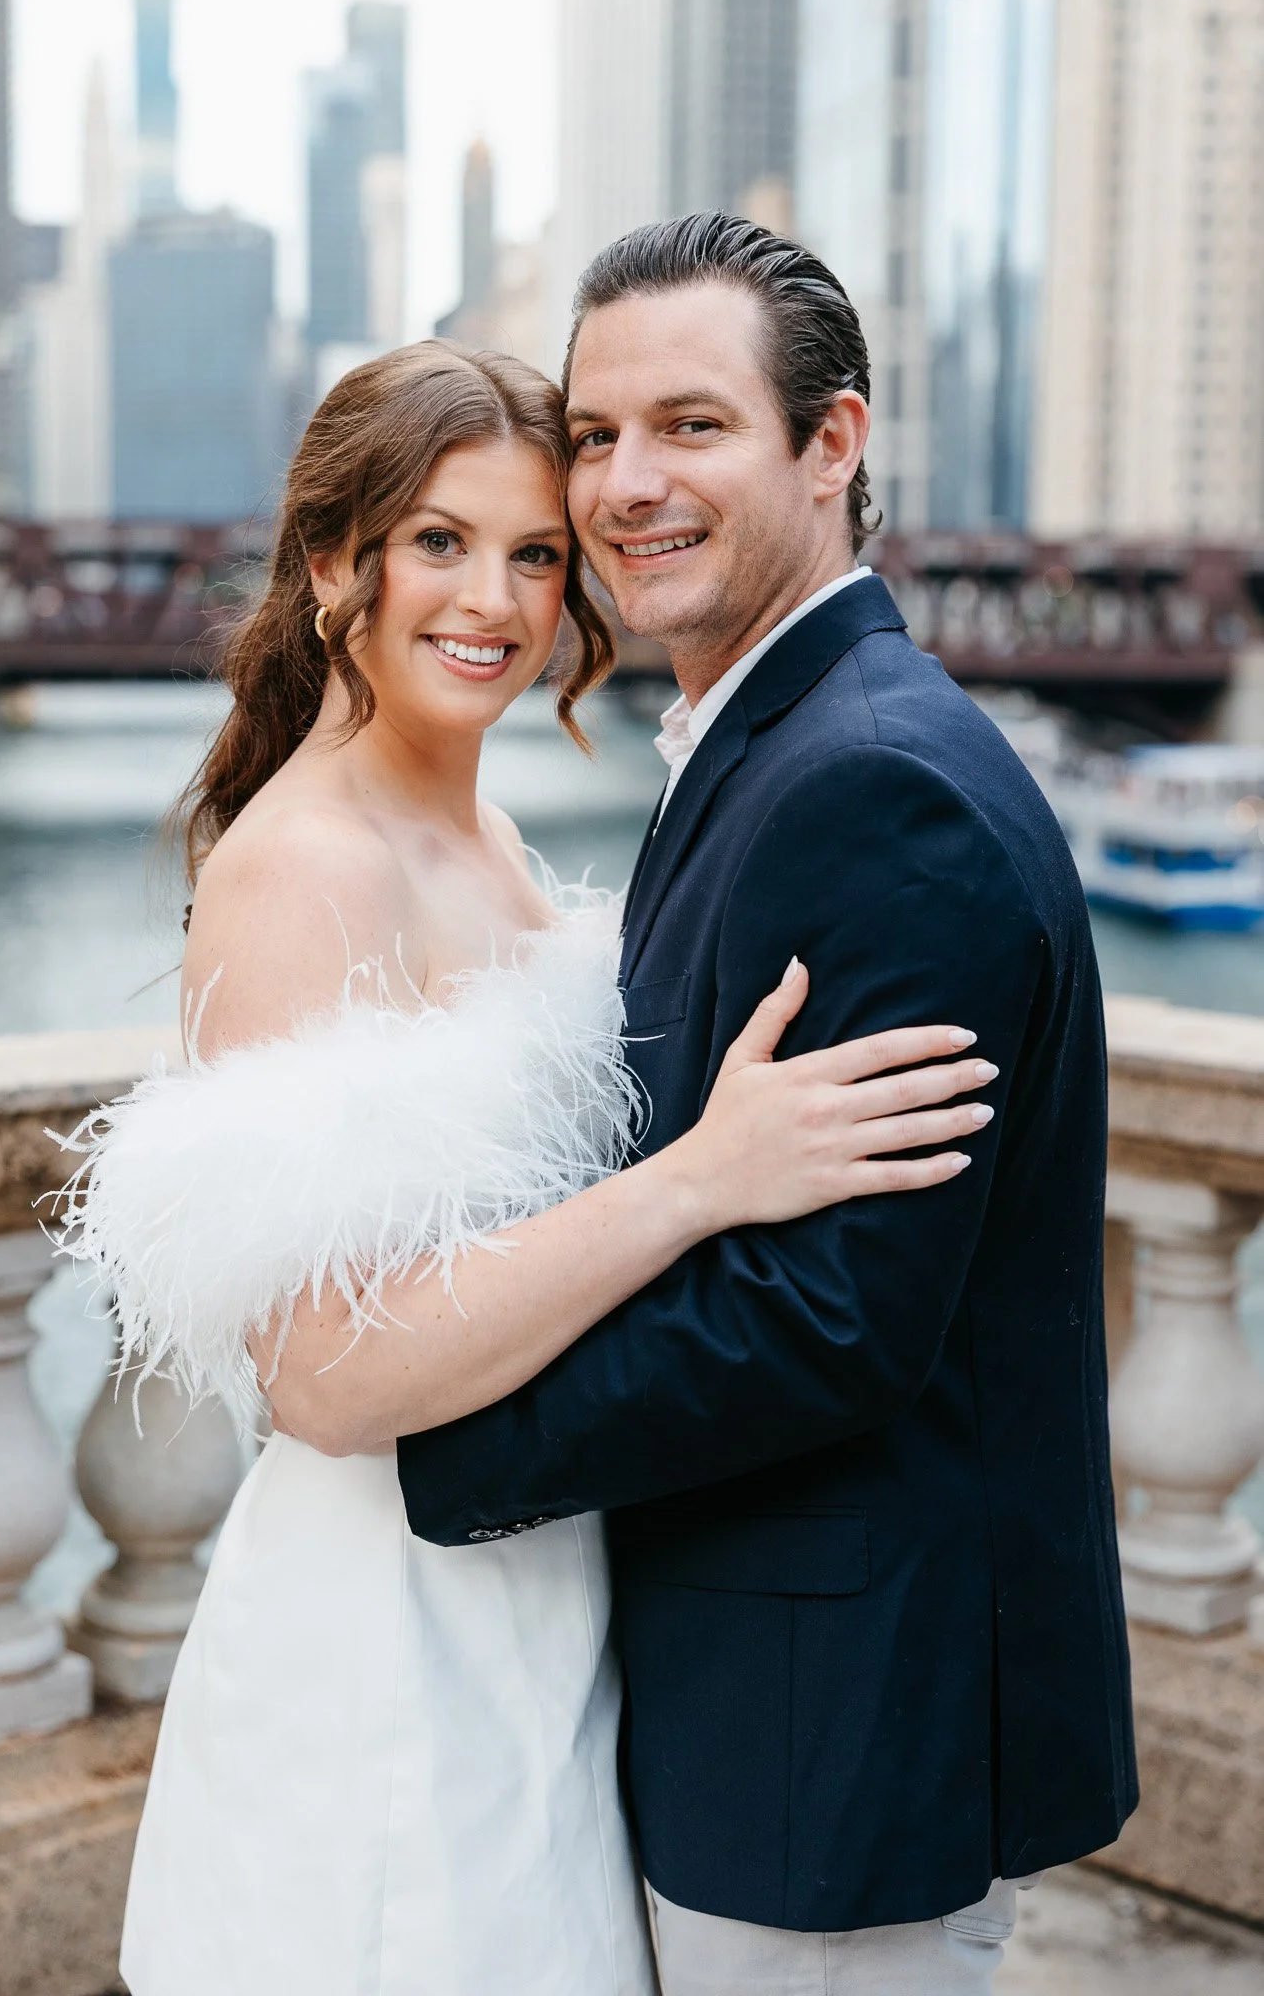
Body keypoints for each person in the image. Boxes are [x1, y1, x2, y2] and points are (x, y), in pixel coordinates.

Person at [58, 336, 993, 1996]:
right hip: (386, 1640)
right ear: (334, 562)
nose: (492, 598)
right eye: (437, 541)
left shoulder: (479, 831)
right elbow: (329, 1380)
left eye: (534, 552)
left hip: (546, 1606)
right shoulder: (302, 870)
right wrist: (701, 1180)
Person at [397, 215, 1139, 1995]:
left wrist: (441, 1438)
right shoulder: (780, 741)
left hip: (834, 1735)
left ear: (832, 444)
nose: (624, 485)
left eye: (692, 425)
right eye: (593, 436)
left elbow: (828, 1317)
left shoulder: (874, 788)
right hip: (790, 1698)